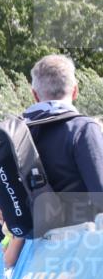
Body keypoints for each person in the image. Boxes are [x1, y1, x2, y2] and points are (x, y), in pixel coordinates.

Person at [23, 55, 103, 222]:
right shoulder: (83, 128)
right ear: (75, 90)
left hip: (37, 242)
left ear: (35, 95)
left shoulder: (21, 132)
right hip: (80, 239)